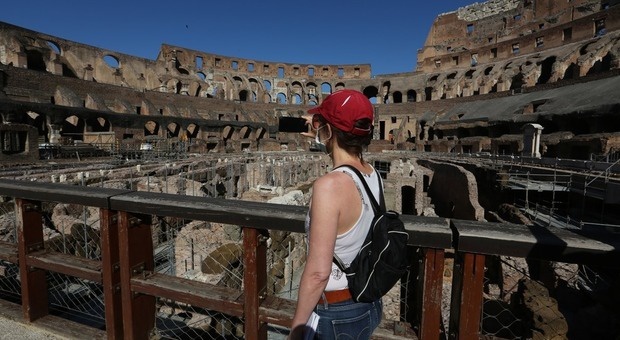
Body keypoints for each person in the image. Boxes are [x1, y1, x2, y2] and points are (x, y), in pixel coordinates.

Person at [290, 89, 383, 339]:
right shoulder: (373, 175)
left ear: (328, 131)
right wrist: (323, 133)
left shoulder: (329, 186)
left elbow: (319, 273)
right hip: (368, 302)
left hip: (336, 311)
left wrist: (297, 329)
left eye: (320, 124)